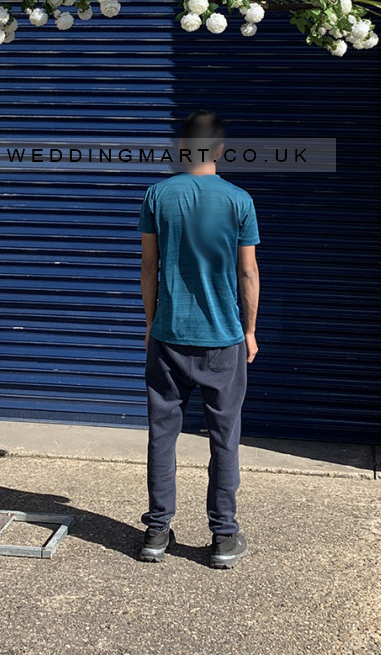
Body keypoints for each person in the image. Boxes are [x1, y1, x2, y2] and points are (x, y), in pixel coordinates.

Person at [136, 109, 260, 568]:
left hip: (168, 335)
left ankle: (156, 533)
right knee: (225, 437)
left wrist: (150, 322)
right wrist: (248, 330)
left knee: (162, 435)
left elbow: (149, 266)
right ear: (221, 150)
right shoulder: (238, 200)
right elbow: (247, 271)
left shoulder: (157, 195)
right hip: (224, 338)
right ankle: (224, 538)